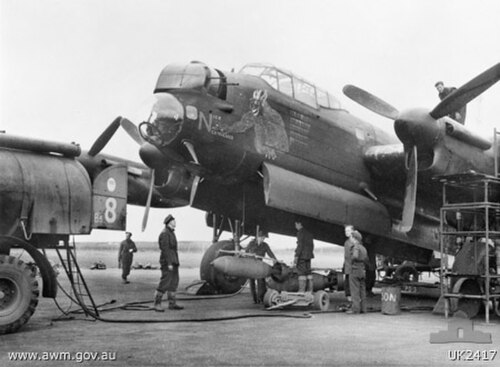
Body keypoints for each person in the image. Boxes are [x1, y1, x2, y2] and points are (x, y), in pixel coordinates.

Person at [153, 214, 183, 312]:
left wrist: (175, 262)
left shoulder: (171, 232)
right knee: (165, 281)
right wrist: (169, 263)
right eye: (174, 220)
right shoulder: (165, 233)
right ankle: (157, 303)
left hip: (174, 261)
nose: (175, 222)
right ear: (169, 222)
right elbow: (165, 250)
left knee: (174, 281)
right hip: (168, 262)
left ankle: (172, 303)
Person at [245, 230, 277, 303]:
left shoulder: (265, 245)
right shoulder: (251, 243)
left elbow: (270, 253)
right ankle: (254, 299)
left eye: (264, 238)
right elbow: (245, 253)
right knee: (252, 283)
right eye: (261, 238)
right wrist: (251, 255)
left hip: (260, 266)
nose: (263, 240)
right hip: (251, 265)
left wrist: (274, 259)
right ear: (257, 237)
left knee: (261, 283)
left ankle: (261, 298)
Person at [347, 230, 369, 314]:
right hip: (362, 270)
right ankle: (363, 309)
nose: (350, 239)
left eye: (351, 237)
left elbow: (355, 256)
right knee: (362, 291)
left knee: (354, 291)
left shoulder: (356, 246)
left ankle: (355, 309)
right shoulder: (363, 248)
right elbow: (367, 260)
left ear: (355, 238)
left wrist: (352, 260)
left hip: (355, 270)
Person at [292, 219, 314, 293]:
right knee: (308, 273)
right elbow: (312, 245)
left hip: (302, 256)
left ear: (299, 224)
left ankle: (301, 291)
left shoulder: (300, 233)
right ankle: (310, 290)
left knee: (301, 273)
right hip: (309, 256)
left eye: (296, 225)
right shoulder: (309, 233)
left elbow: (300, 245)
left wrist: (296, 256)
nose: (295, 226)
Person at [343, 224, 356, 308]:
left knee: (353, 287)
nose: (346, 232)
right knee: (347, 287)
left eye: (348, 231)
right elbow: (346, 257)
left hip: (353, 269)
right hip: (347, 268)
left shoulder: (355, 243)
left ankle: (355, 305)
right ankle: (352, 304)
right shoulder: (346, 243)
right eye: (345, 231)